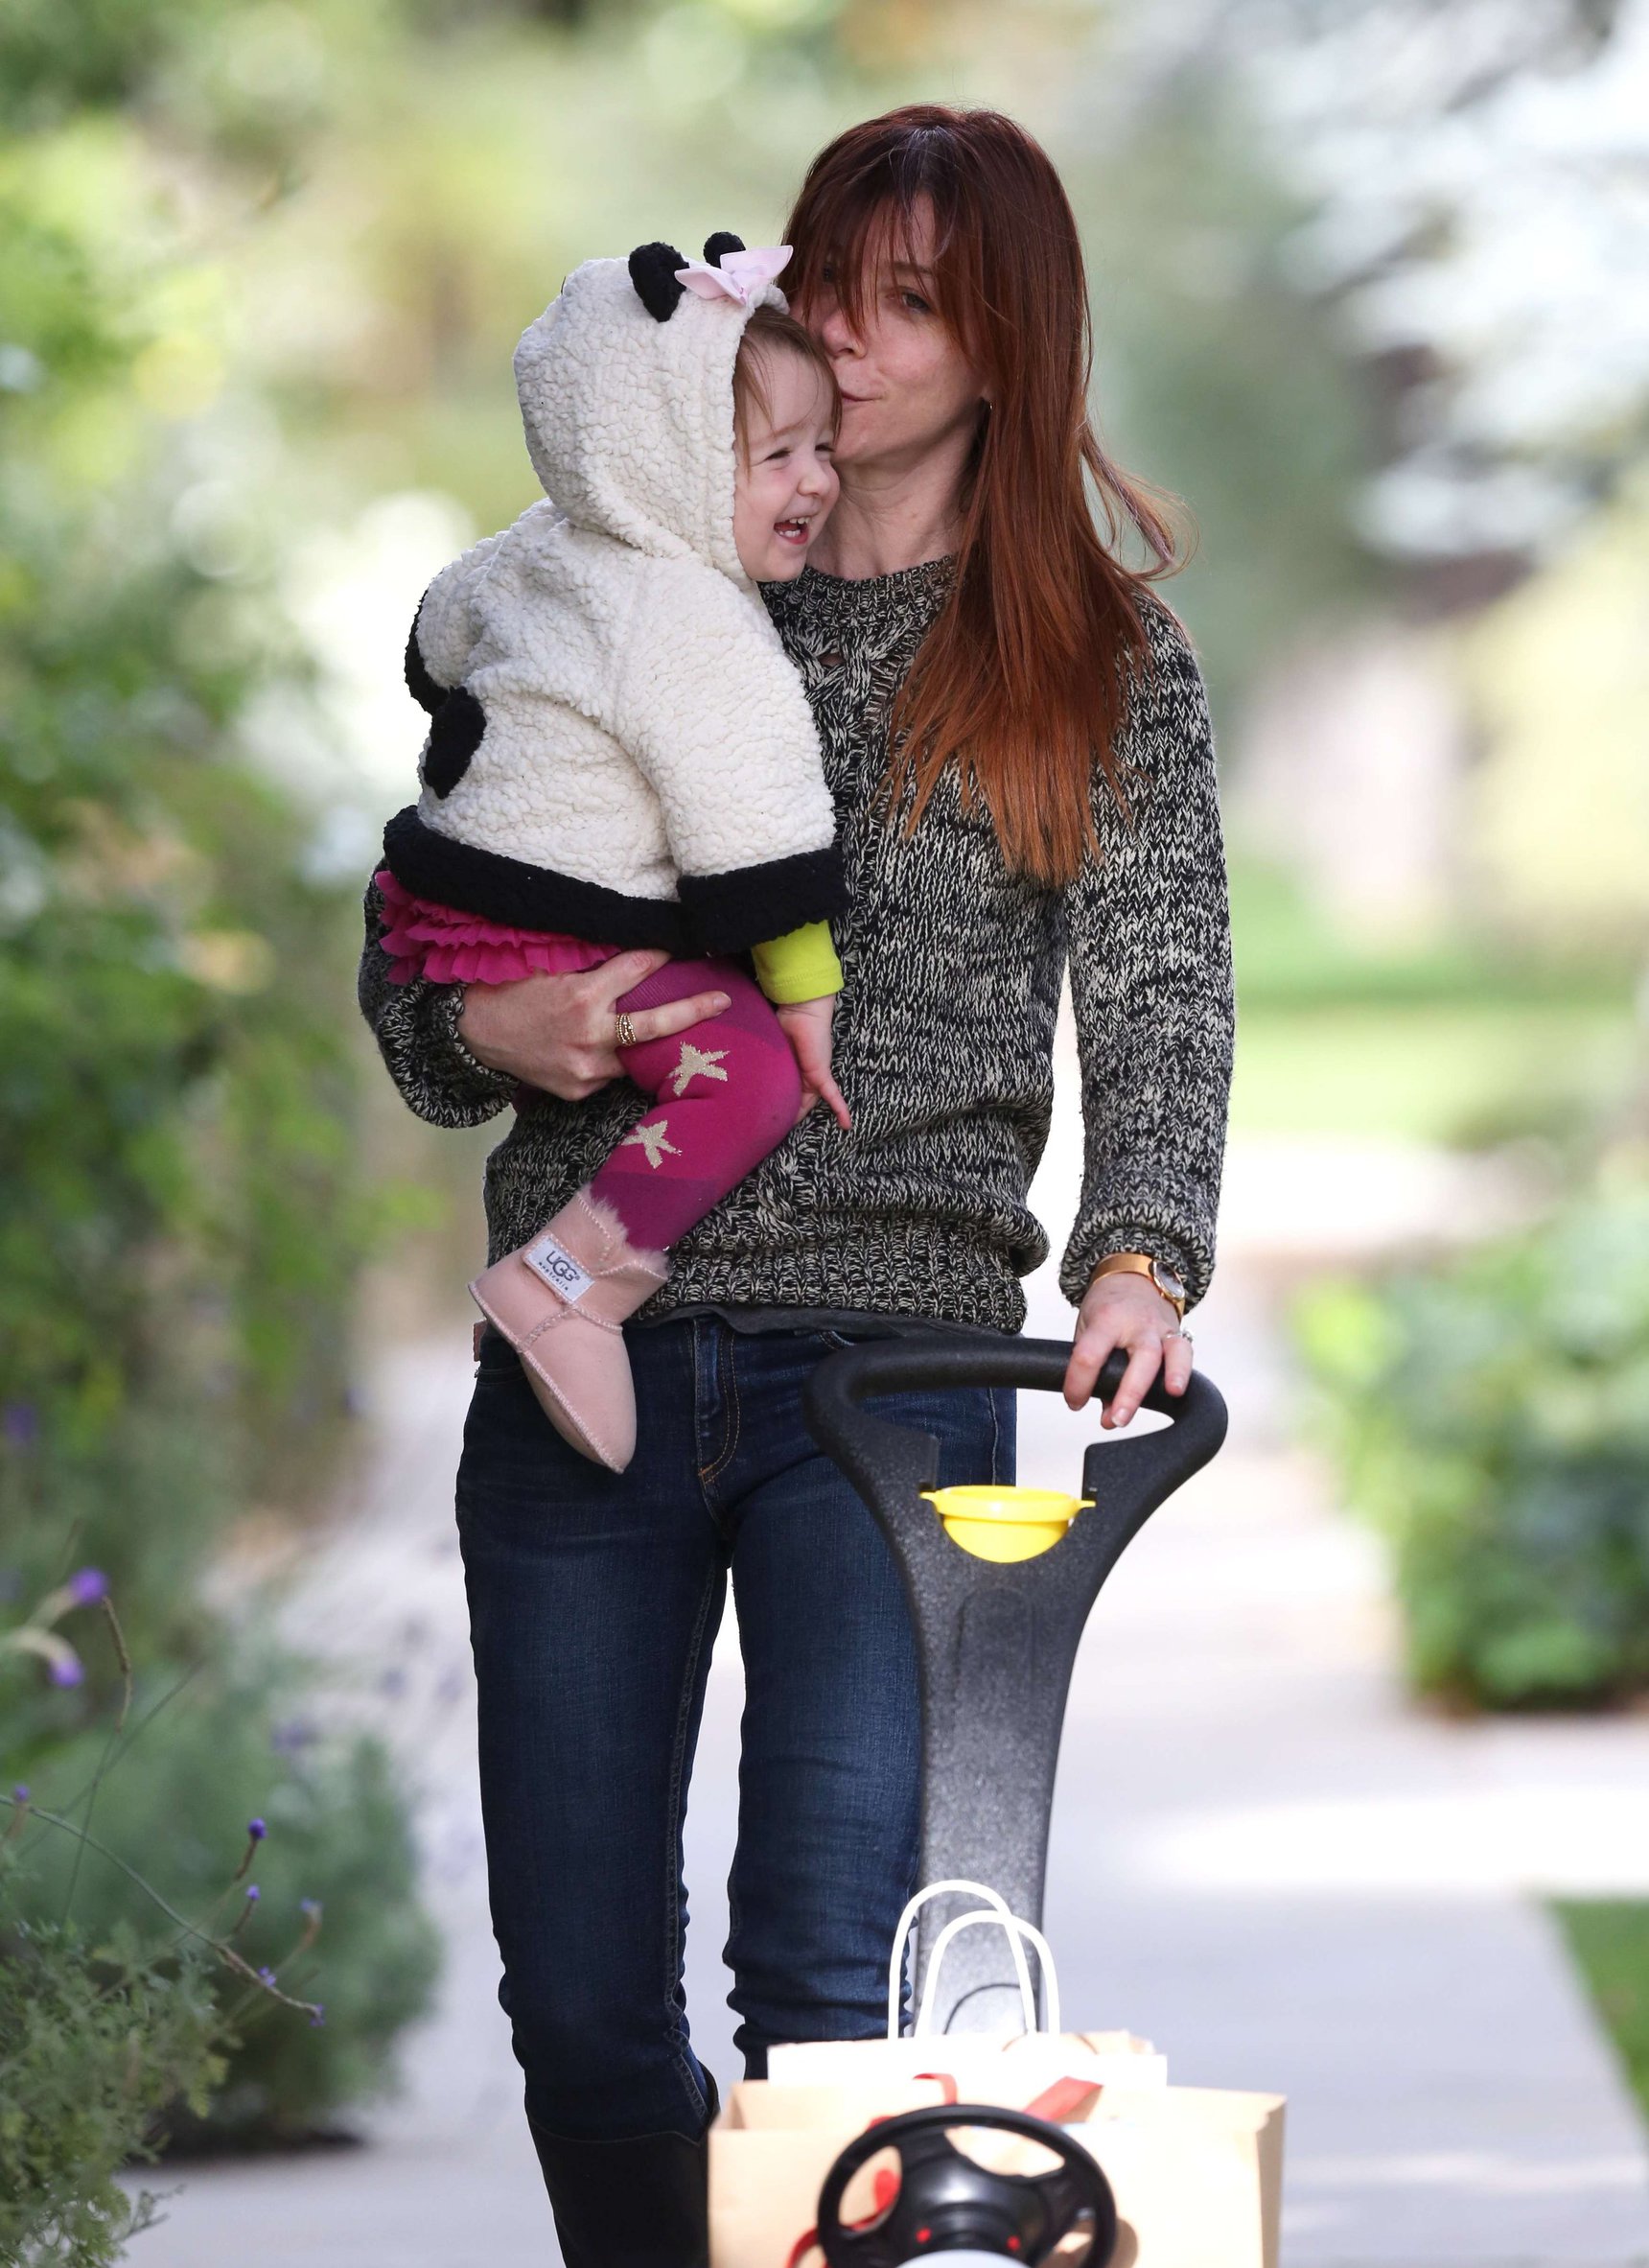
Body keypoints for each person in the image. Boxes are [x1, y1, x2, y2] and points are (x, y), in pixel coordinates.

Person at [357, 103, 1235, 2268]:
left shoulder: (1086, 664)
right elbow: (416, 947)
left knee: (826, 1988)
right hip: (591, 1361)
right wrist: (496, 1032)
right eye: (829, 274)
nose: (840, 334)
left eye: (908, 301)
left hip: (896, 1376)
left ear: (1002, 348)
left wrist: (1139, 1248)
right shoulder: (610, 564)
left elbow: (1155, 997)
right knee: (574, 2008)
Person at [376, 239, 851, 1471]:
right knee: (744, 1078)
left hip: (447, 893)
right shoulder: (688, 613)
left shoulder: (551, 540)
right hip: (558, 922)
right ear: (666, 463)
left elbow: (440, 634)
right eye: (776, 456)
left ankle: (562, 1280)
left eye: (824, 447)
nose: (818, 482)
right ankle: (566, 1282)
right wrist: (803, 999)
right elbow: (758, 822)